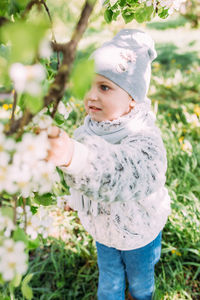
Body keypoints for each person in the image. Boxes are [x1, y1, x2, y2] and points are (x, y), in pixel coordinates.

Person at [47, 29, 171, 300]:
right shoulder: (89, 128)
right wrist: (75, 197)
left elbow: (123, 172)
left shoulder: (144, 137)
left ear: (132, 99)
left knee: (140, 283)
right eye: (89, 85)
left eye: (104, 87)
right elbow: (85, 176)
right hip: (103, 231)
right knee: (110, 281)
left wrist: (75, 157)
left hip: (140, 233)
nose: (91, 96)